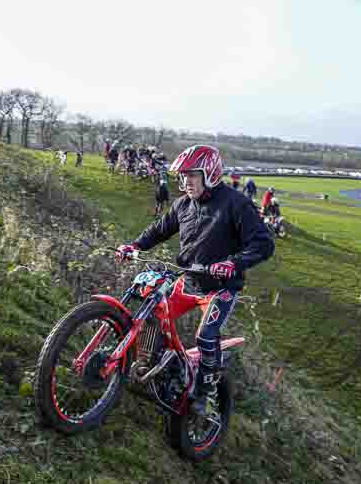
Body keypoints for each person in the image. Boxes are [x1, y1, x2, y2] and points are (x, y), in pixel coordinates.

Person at [116, 145, 274, 414]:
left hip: (220, 289)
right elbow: (159, 230)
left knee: (206, 335)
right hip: (188, 282)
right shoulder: (182, 204)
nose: (185, 181)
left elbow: (264, 245)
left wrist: (233, 263)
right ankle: (157, 368)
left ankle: (205, 391)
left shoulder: (237, 204)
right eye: (183, 176)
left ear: (210, 173)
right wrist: (135, 246)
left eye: (192, 175)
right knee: (151, 314)